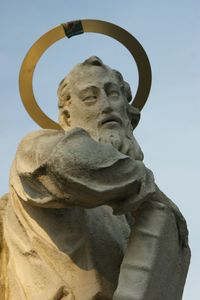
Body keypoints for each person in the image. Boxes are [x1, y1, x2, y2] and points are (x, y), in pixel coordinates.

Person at [0, 56, 190, 300]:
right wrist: (141, 179)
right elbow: (67, 162)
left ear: (127, 110)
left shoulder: (143, 208)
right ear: (67, 117)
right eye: (90, 97)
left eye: (113, 95)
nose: (106, 106)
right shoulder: (36, 150)